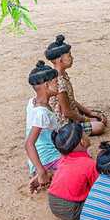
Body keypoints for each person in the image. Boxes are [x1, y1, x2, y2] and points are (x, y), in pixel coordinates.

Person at [46, 34, 106, 135]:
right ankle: (73, 133)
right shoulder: (59, 83)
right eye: (69, 55)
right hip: (64, 125)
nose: (72, 58)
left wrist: (89, 113)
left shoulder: (61, 75)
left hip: (70, 115)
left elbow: (70, 101)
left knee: (96, 117)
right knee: (99, 126)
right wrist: (87, 120)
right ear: (60, 60)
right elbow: (67, 112)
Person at [48, 122, 98, 220]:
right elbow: (98, 189)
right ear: (82, 142)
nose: (87, 135)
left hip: (53, 203)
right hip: (72, 209)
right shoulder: (90, 164)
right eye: (85, 133)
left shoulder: (63, 159)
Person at [25, 60, 62, 194]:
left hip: (39, 159)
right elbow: (29, 143)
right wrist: (41, 171)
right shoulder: (41, 113)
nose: (58, 85)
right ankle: (47, 174)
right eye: (56, 82)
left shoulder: (32, 102)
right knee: (79, 165)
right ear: (47, 85)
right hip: (47, 159)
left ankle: (44, 172)